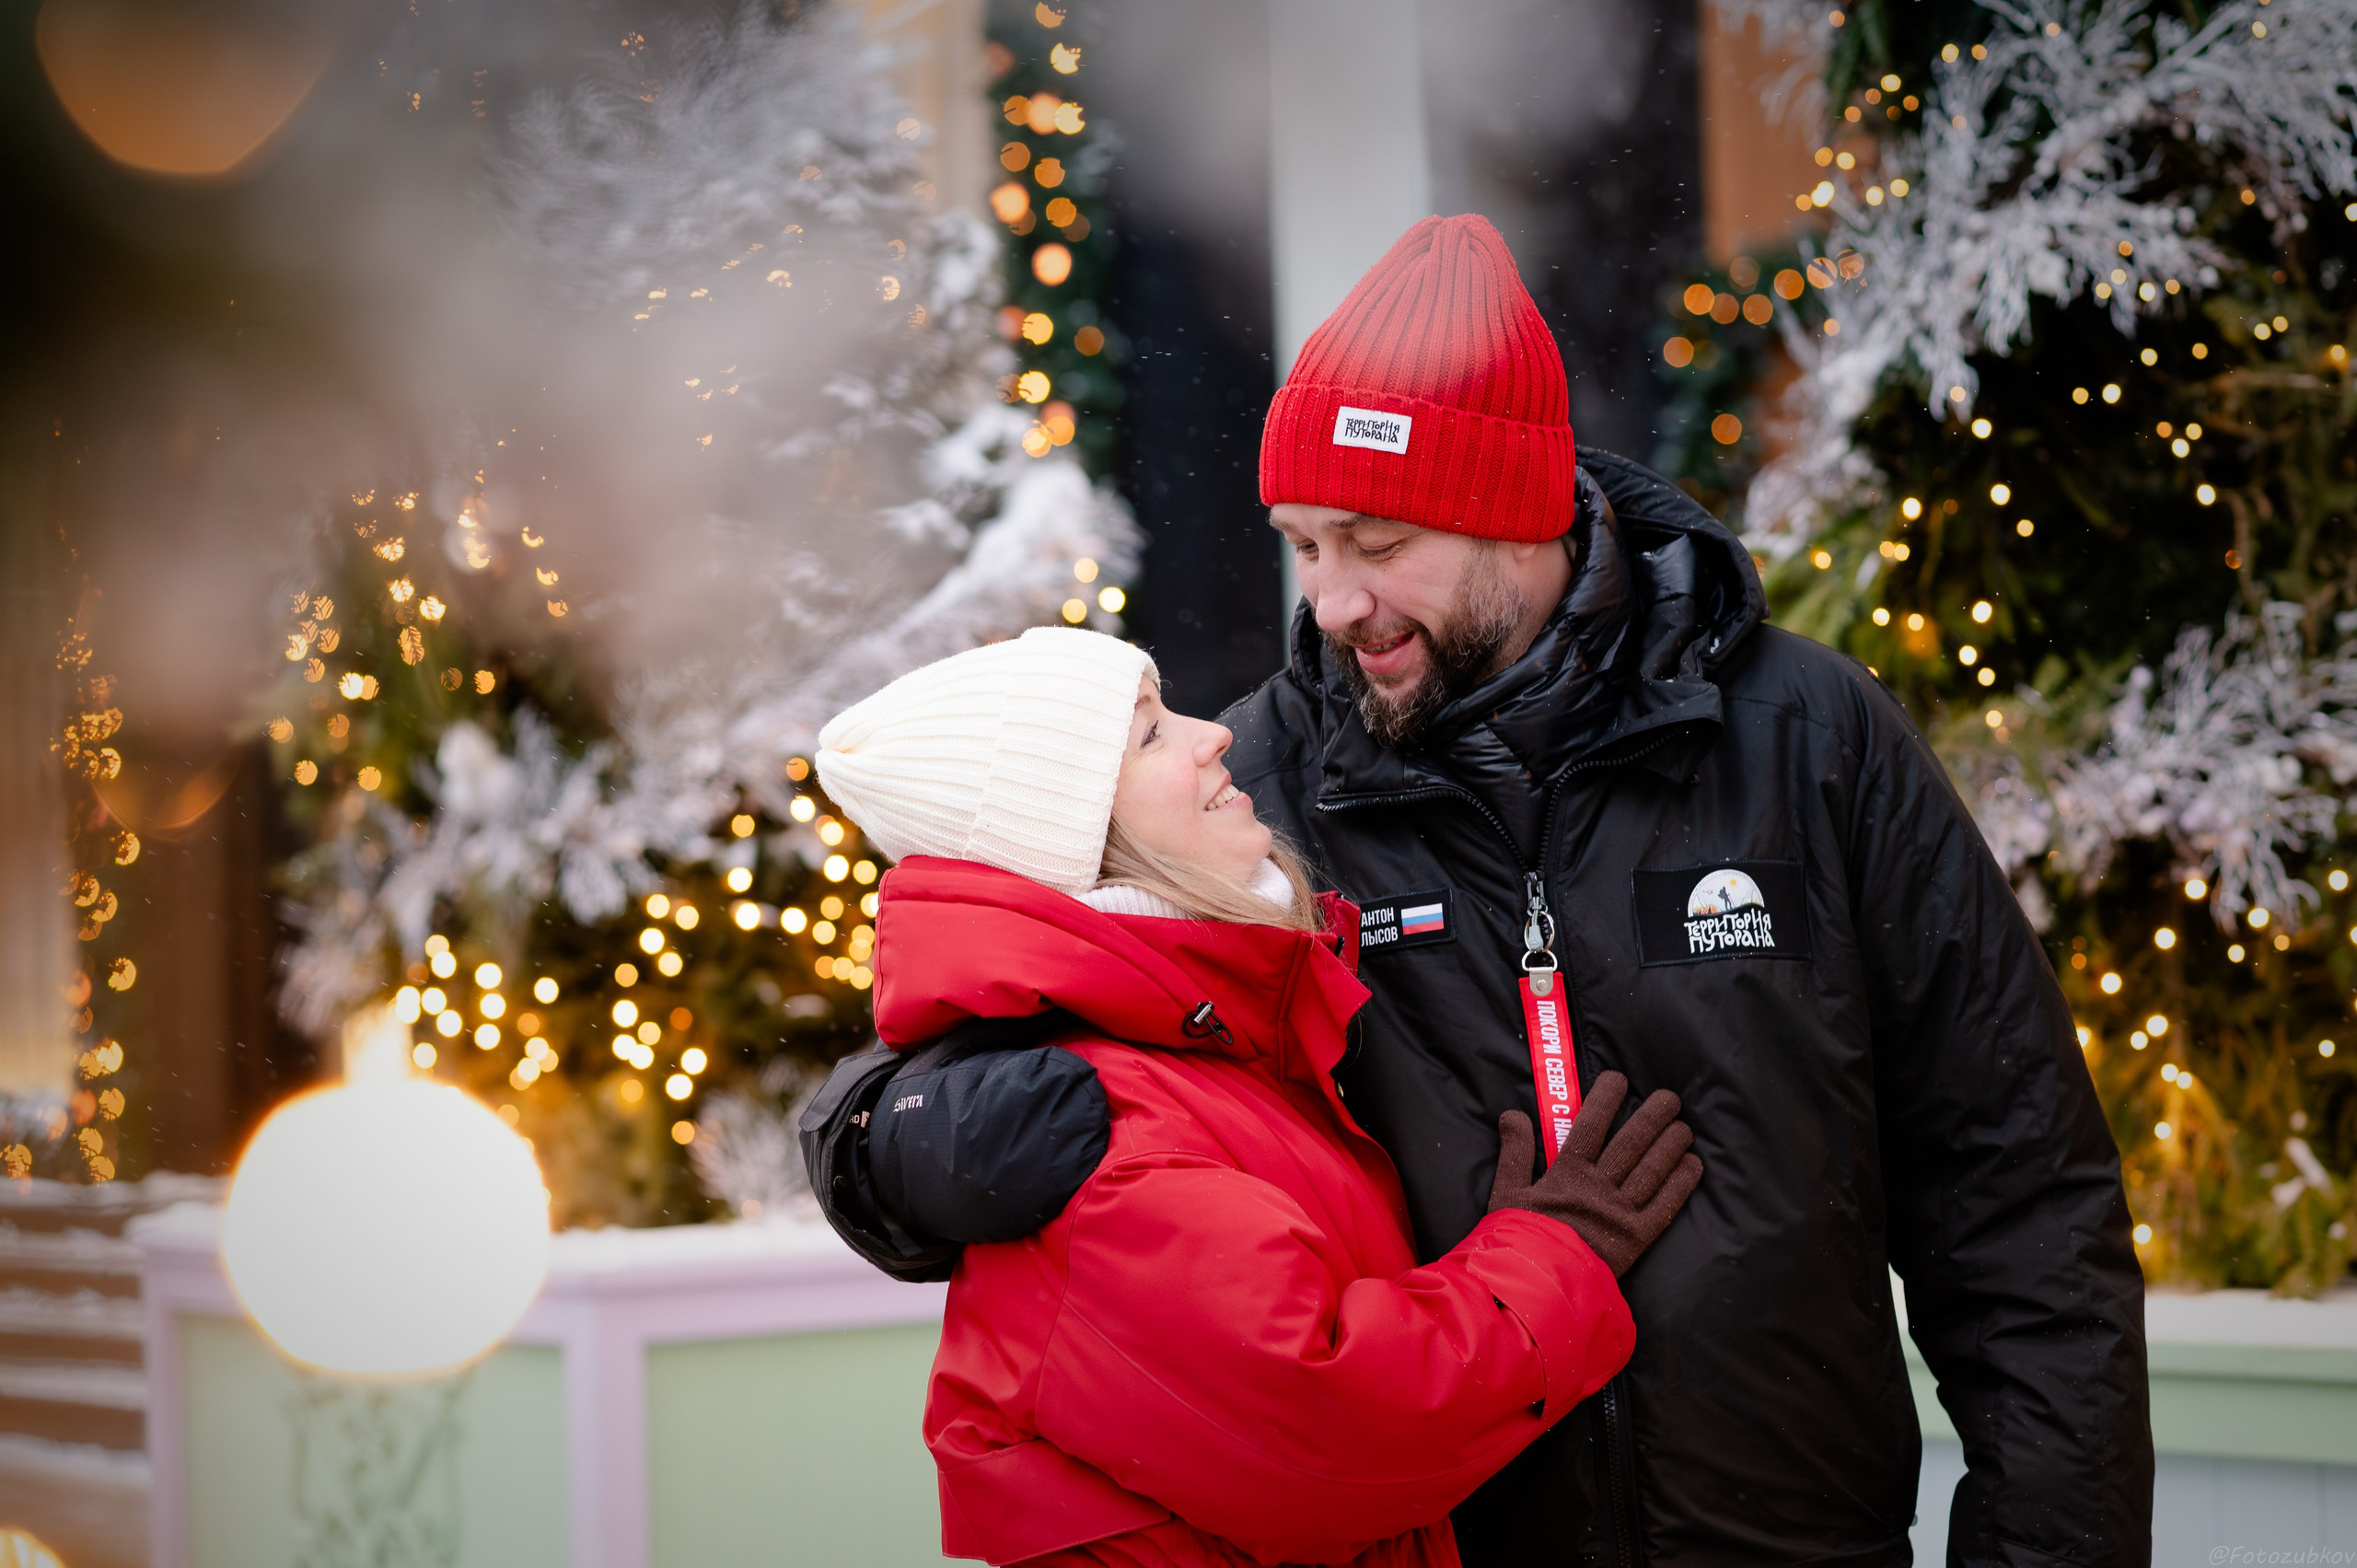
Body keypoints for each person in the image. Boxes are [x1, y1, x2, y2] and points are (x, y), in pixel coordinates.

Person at [817, 215, 2155, 1565]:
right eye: (1303, 545)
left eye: (1374, 540)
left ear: (1513, 513)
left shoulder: (1805, 739)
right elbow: (1019, 972)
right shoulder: (1264, 790)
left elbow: (2020, 1201)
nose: (1333, 602)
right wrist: (897, 1132)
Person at [808, 625, 1703, 1567]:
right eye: (1149, 736)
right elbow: (1331, 1423)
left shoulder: (1192, 1038)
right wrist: (1551, 1260)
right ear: (1074, 838)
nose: (1212, 736)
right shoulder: (1109, 1125)